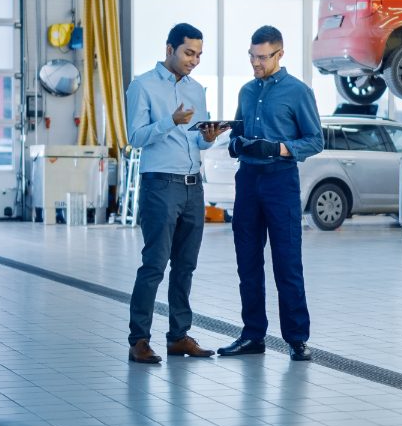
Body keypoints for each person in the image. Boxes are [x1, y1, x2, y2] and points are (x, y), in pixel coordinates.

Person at [217, 26, 323, 361]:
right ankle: (252, 335)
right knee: (247, 262)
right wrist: (235, 143)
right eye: (252, 56)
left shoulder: (298, 92)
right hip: (247, 181)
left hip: (280, 182)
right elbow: (239, 129)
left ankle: (296, 339)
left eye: (263, 57)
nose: (256, 63)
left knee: (286, 263)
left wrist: (278, 148)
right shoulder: (246, 92)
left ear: (280, 54)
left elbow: (315, 140)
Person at [125, 23, 225, 364]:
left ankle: (178, 336)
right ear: (170, 49)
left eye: (199, 54)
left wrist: (208, 137)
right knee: (154, 264)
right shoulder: (142, 86)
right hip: (160, 185)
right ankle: (139, 340)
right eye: (188, 53)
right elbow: (135, 138)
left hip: (193, 186)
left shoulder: (197, 89)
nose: (194, 60)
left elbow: (196, 138)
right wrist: (170, 121)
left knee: (185, 266)